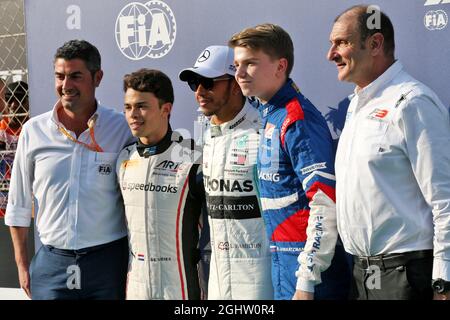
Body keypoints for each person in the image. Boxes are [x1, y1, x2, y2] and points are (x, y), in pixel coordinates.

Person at [327, 5, 450, 300]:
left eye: (341, 42)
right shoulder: (357, 104)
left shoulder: (413, 101)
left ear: (375, 44)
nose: (330, 54)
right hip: (361, 274)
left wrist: (443, 281)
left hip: (406, 275)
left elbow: (445, 198)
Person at [4, 39, 134, 300]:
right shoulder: (33, 131)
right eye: (60, 76)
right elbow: (18, 203)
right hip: (52, 264)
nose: (66, 86)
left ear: (97, 77)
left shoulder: (122, 129)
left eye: (76, 76)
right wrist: (22, 265)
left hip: (108, 263)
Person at [229, 23, 351, 300]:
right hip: (285, 271)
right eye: (237, 64)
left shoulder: (296, 119)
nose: (238, 74)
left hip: (313, 282)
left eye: (250, 64)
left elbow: (324, 202)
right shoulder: (270, 114)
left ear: (280, 66)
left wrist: (307, 280)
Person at [179, 45, 273, 299]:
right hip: (218, 276)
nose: (199, 91)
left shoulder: (264, 130)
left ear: (235, 84)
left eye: (208, 82)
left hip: (258, 276)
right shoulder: (209, 134)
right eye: (195, 83)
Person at [117, 68, 208, 300]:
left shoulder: (193, 156)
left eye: (142, 106)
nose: (133, 114)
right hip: (136, 287)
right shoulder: (123, 158)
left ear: (165, 109)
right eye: (128, 107)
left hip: (180, 288)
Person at [0, 81, 30, 218]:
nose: (13, 105)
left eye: (19, 99)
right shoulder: (0, 130)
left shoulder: (33, 131)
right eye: (9, 100)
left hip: (26, 202)